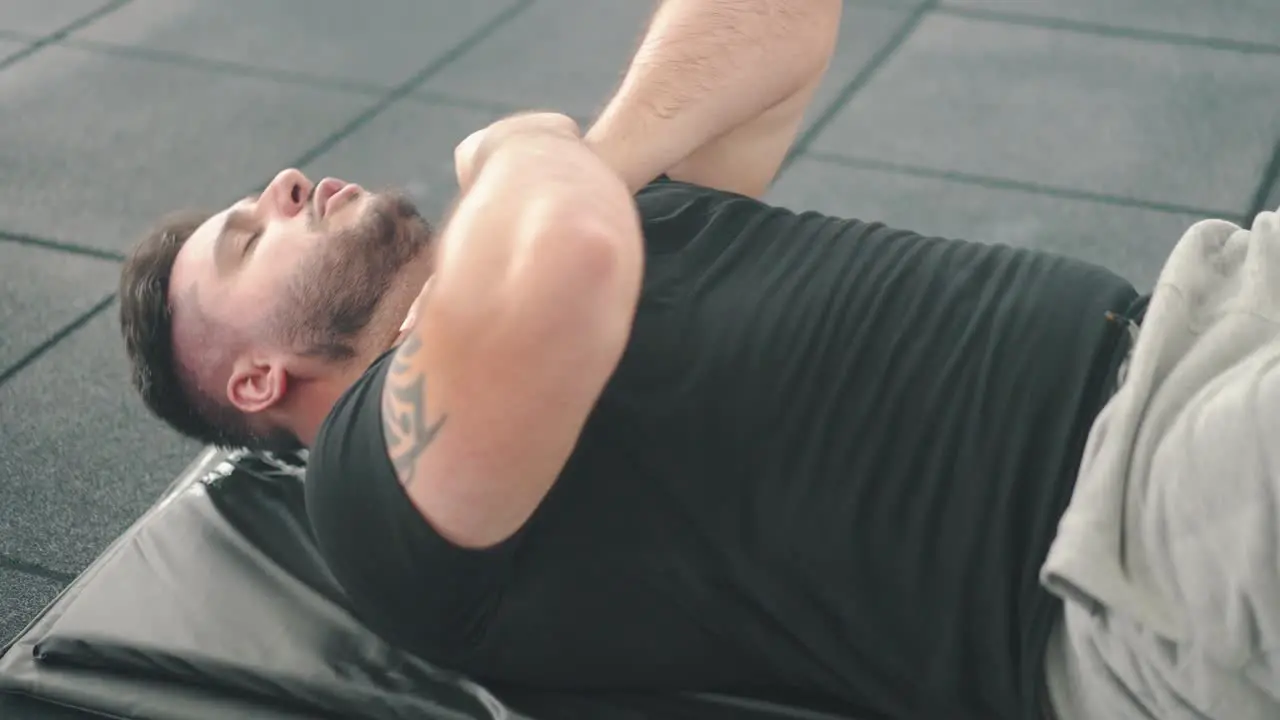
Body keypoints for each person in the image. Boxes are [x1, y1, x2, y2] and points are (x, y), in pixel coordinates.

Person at [116, 1, 1280, 719]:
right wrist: (523, 148)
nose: (279, 189)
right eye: (248, 235)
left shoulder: (568, 215)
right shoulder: (369, 484)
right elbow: (567, 253)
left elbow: (780, 21)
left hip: (1208, 308)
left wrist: (606, 156)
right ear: (257, 380)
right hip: (1136, 542)